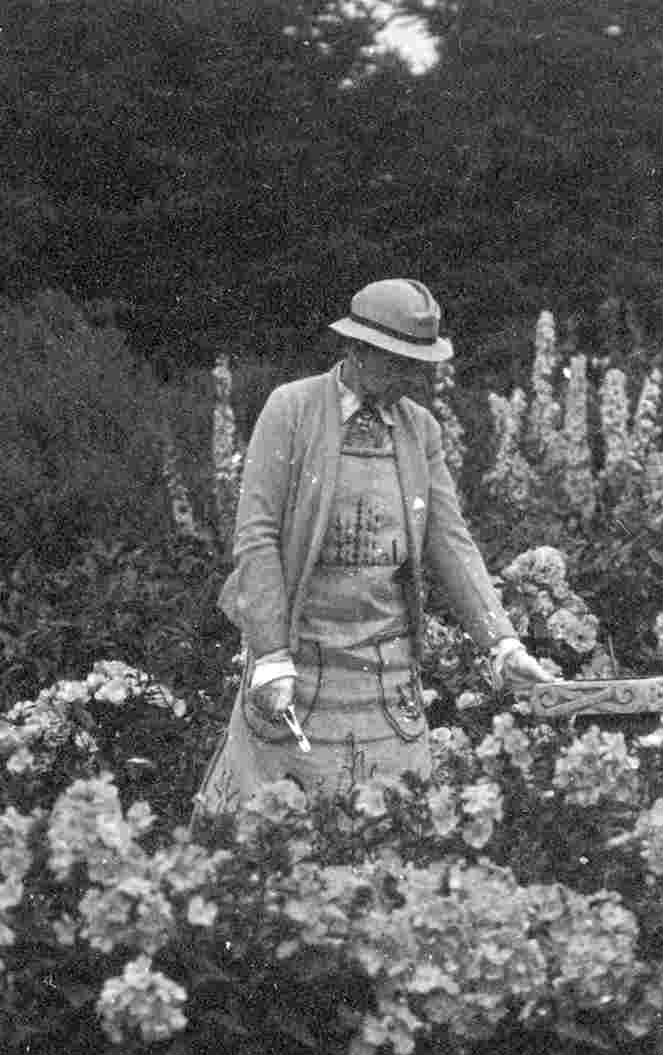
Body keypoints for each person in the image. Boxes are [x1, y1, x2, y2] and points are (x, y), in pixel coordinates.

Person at [194, 279, 557, 812]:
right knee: (273, 833)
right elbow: (257, 536)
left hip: (386, 676)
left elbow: (449, 541)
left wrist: (502, 644)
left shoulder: (420, 430)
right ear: (356, 350)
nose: (411, 380)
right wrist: (270, 655)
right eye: (397, 364)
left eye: (418, 366)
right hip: (300, 661)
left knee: (391, 827)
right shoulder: (291, 410)